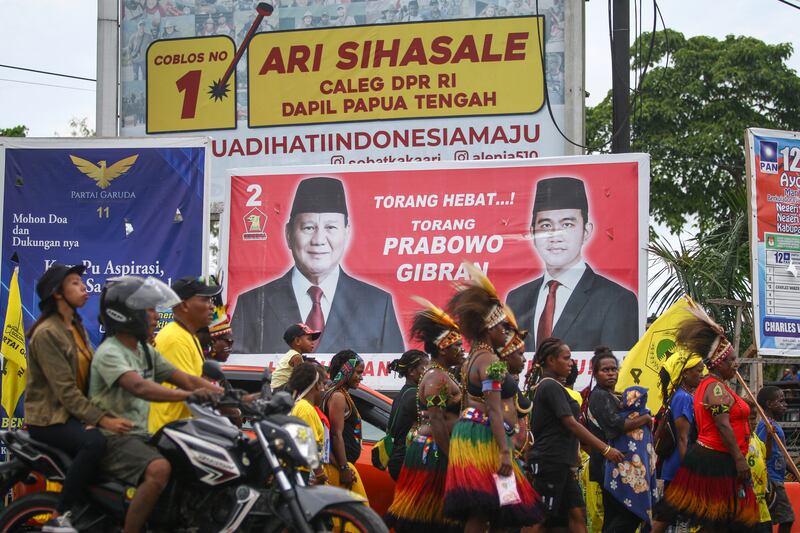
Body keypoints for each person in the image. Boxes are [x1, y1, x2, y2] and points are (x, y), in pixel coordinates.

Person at [89, 276, 222, 533]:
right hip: (114, 437)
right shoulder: (111, 352)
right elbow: (140, 386)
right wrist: (186, 395)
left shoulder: (144, 351)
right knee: (159, 469)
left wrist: (234, 396)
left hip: (140, 435)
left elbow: (185, 378)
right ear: (128, 314)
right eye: (148, 310)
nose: (154, 316)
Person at [231, 176, 404, 354]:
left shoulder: (377, 304)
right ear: (288, 234)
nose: (319, 240)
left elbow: (394, 374)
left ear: (347, 233)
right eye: (308, 228)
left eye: (330, 227)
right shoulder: (251, 304)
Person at [25, 264, 134, 533]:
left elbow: (91, 378)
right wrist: (102, 421)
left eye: (82, 282)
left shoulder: (75, 326)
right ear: (58, 294)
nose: (84, 287)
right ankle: (59, 515)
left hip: (72, 414)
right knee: (94, 442)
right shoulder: (47, 333)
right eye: (74, 283)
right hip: (50, 419)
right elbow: (66, 391)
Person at [443, 265, 541, 532]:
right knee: (486, 508)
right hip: (484, 437)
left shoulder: (473, 359)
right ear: (488, 329)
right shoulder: (489, 362)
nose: (504, 333)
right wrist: (505, 453)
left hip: (473, 433)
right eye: (500, 327)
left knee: (500, 507)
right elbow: (495, 412)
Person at [506, 177, 639, 352]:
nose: (555, 236)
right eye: (546, 225)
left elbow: (616, 370)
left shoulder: (616, 300)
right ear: (532, 233)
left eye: (567, 224)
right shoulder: (516, 299)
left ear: (586, 231)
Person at [656, 313, 759, 532]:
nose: (736, 364)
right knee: (714, 515)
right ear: (718, 364)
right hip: (715, 459)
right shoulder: (715, 387)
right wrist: (739, 459)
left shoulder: (719, 385)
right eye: (731, 360)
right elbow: (723, 425)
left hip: (720, 458)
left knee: (721, 518)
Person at [526, 338, 625, 533]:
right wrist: (605, 449)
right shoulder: (549, 386)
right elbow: (571, 423)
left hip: (563, 463)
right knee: (539, 518)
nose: (571, 363)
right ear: (551, 361)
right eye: (567, 358)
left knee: (577, 514)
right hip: (551, 461)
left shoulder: (556, 387)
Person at [385, 302, 463, 532]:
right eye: (456, 346)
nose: (462, 350)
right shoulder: (436, 378)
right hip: (435, 452)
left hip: (436, 450)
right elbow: (437, 421)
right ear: (442, 349)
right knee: (428, 523)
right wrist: (451, 458)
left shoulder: (442, 375)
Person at [585, 347, 652, 532]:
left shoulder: (610, 396)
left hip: (614, 464)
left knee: (616, 517)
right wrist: (645, 419)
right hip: (608, 466)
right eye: (605, 370)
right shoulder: (600, 395)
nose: (611, 373)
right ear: (595, 374)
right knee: (626, 516)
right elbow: (617, 426)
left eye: (614, 369)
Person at [148, 276, 221, 433]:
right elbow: (191, 384)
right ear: (184, 305)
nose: (211, 306)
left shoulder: (188, 335)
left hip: (184, 429)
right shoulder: (175, 338)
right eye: (205, 300)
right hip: (169, 432)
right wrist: (235, 401)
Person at [651, 352, 704, 533]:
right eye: (698, 370)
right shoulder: (683, 398)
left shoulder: (682, 395)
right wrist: (687, 471)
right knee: (670, 515)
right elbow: (683, 438)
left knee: (670, 514)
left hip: (677, 464)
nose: (702, 374)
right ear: (685, 373)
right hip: (679, 465)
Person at [321, 350, 369, 501]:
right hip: (338, 469)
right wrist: (343, 468)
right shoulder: (338, 396)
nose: (361, 377)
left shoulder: (339, 393)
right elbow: (336, 434)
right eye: (358, 372)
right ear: (346, 371)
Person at [385, 349, 430, 481]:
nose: (429, 372)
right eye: (425, 368)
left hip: (398, 457)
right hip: (407, 458)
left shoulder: (404, 393)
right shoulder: (415, 396)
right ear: (411, 372)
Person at [756, 386, 795, 532]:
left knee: (770, 520)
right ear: (769, 404)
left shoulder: (774, 425)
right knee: (787, 518)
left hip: (777, 478)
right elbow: (761, 451)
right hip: (771, 480)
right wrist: (769, 437)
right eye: (781, 401)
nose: (785, 405)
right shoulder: (766, 426)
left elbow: (783, 455)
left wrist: (794, 471)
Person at [288, 362, 329, 485]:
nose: (325, 389)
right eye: (324, 384)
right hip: (301, 473)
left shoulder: (301, 406)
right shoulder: (305, 409)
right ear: (316, 385)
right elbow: (308, 444)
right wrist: (320, 474)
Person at [744, 397, 773, 533]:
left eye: (755, 418)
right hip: (745, 506)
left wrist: (769, 436)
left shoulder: (755, 438)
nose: (754, 422)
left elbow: (767, 455)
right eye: (751, 418)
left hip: (762, 507)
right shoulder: (737, 441)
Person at [271, 323, 321, 392]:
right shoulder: (296, 357)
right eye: (309, 339)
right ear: (297, 341)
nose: (312, 343)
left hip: (279, 389)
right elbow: (301, 381)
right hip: (282, 389)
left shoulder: (292, 354)